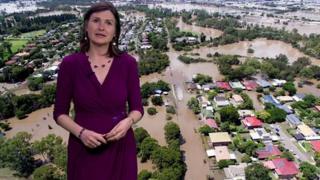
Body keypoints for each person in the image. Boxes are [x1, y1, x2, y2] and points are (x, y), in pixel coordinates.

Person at [53, 2, 144, 180]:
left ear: (116, 32)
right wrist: (81, 133)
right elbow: (59, 113)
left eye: (109, 23)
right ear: (86, 26)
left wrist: (128, 122)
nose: (102, 27)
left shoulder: (128, 63)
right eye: (96, 20)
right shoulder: (70, 64)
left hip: (120, 149)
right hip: (84, 148)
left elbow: (137, 109)